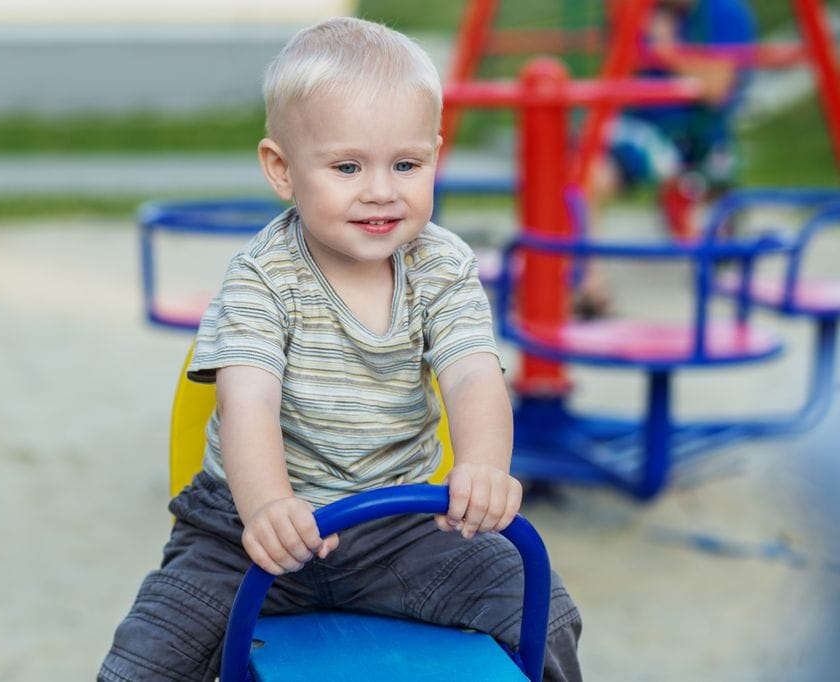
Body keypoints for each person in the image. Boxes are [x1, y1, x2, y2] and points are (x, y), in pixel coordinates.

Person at [98, 17, 582, 682]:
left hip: (402, 528)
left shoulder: (441, 266)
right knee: (144, 662)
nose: (382, 190)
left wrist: (483, 466)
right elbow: (249, 400)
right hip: (246, 533)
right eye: (348, 166)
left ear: (435, 156)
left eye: (406, 165)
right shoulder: (263, 277)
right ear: (282, 169)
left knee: (544, 610)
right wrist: (269, 508)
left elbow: (473, 376)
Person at [578, 0, 757, 317]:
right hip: (645, 129)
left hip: (698, 134)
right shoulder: (637, 10)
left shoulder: (724, 12)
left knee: (716, 218)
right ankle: (588, 281)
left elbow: (716, 86)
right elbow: (619, 70)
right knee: (586, 174)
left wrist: (665, 48)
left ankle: (707, 229)